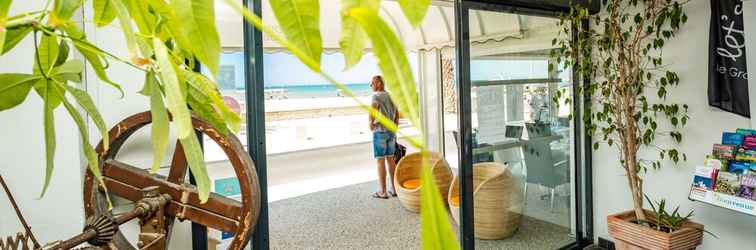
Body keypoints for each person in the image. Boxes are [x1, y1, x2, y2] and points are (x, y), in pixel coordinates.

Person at [369, 75, 399, 199]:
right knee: (391, 160)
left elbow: (373, 111)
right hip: (391, 132)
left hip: (380, 131)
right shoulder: (391, 95)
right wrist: (395, 125)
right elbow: (397, 113)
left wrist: (371, 123)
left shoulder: (376, 96)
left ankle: (383, 191)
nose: (371, 86)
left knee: (380, 161)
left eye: (372, 83)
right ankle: (394, 189)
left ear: (379, 84)